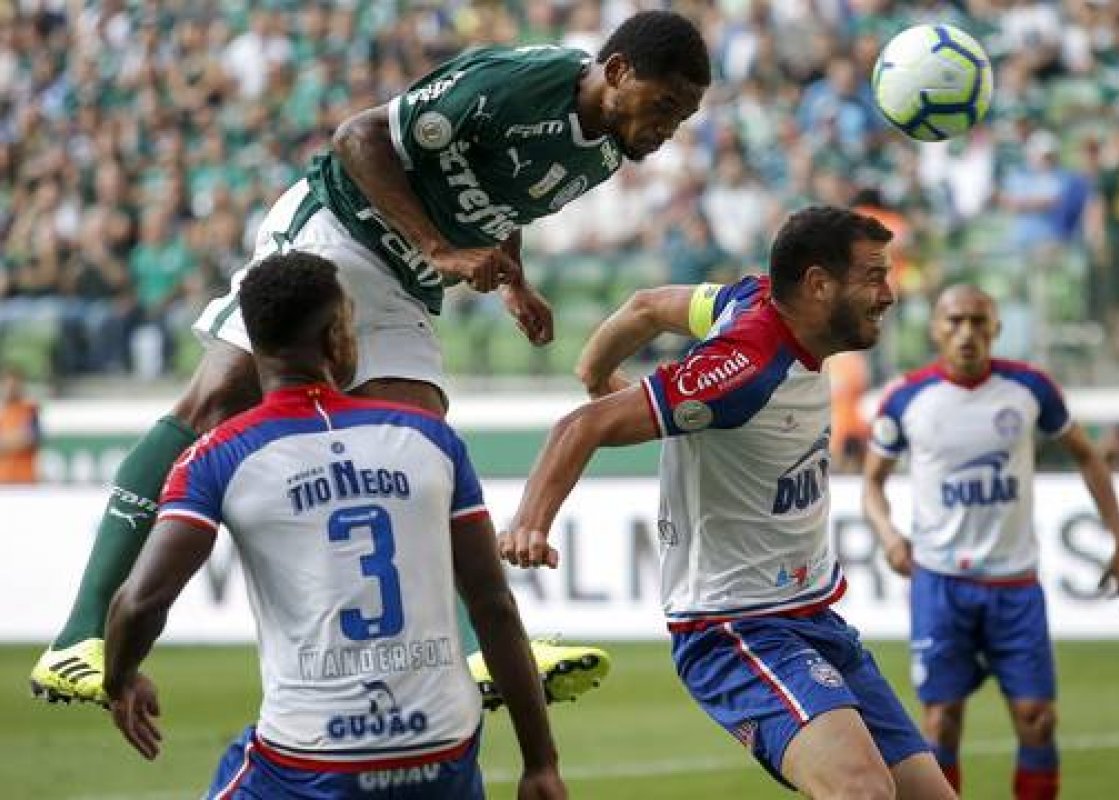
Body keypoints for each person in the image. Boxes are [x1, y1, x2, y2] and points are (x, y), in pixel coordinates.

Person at [33, 9, 711, 706]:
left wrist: (513, 277)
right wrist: (438, 248)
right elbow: (358, 136)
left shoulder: (604, 149)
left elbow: (503, 198)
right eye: (664, 106)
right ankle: (76, 638)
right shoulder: (520, 84)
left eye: (681, 118)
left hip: (402, 276)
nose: (667, 129)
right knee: (214, 402)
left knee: (420, 443)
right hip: (335, 228)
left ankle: (477, 654)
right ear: (620, 73)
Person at [499, 206, 955, 798]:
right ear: (819, 284)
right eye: (873, 276)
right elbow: (579, 427)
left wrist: (595, 367)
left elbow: (645, 306)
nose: (888, 294)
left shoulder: (750, 298)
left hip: (814, 614)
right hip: (736, 626)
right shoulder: (742, 370)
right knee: (860, 791)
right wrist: (530, 524)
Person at [104, 251, 567, 799]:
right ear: (338, 337)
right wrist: (541, 764)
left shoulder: (217, 456)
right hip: (443, 754)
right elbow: (493, 606)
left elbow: (139, 602)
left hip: (311, 763)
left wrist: (121, 677)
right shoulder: (431, 440)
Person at [861, 284, 1119, 800]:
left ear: (996, 328)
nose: (966, 333)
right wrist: (890, 535)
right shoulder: (905, 398)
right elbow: (872, 483)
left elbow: (1088, 455)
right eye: (955, 321)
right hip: (941, 584)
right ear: (935, 329)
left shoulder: (1030, 388)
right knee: (940, 723)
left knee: (1038, 720)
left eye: (977, 321)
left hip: (1014, 585)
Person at [0, 364, 41, 484]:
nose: (11, 388)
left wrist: (7, 441)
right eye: (7, 384)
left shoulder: (29, 410)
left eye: (15, 384)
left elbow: (31, 437)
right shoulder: (3, 412)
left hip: (24, 483)